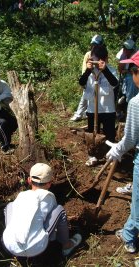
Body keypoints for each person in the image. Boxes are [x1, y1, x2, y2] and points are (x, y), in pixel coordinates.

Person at [2, 163, 82, 257]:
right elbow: (52, 218)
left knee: (10, 206)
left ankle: (12, 236)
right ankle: (67, 245)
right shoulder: (49, 197)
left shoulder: (21, 195)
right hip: (35, 247)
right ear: (49, 184)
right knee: (59, 210)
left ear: (29, 180)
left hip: (9, 245)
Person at [106, 51, 139, 253]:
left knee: (138, 202)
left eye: (132, 71)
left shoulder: (136, 103)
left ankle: (129, 236)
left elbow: (130, 139)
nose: (131, 75)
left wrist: (117, 149)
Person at [79, 45, 118, 166]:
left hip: (108, 109)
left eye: (97, 60)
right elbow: (81, 82)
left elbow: (114, 83)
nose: (95, 63)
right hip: (92, 108)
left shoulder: (111, 70)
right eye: (92, 60)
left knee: (110, 133)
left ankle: (110, 156)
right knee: (91, 133)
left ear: (105, 59)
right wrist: (87, 70)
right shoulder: (90, 72)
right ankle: (92, 156)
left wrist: (105, 70)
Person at [70, 34, 104, 122]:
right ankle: (78, 114)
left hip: (97, 79)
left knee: (94, 99)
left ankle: (88, 113)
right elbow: (85, 68)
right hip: (89, 78)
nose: (94, 46)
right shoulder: (88, 54)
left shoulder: (102, 54)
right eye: (93, 44)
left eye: (96, 44)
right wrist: (85, 79)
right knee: (85, 97)